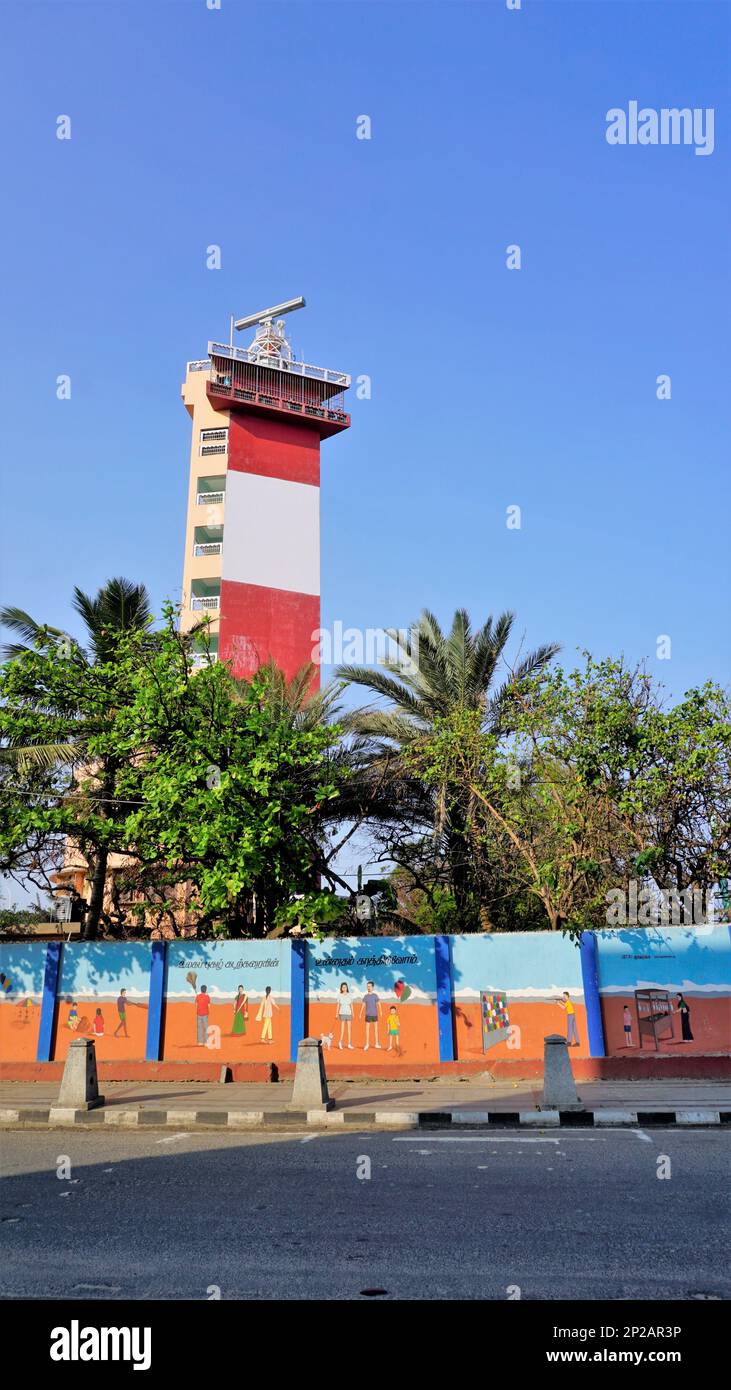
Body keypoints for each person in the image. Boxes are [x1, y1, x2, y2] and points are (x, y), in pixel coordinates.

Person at [360, 981, 382, 1050]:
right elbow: (363, 1005)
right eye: (367, 986)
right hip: (368, 1015)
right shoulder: (365, 996)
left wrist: (381, 1011)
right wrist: (360, 1013)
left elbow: (379, 1004)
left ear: (372, 987)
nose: (368, 988)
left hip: (375, 1014)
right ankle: (367, 1044)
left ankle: (376, 1044)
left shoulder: (375, 995)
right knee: (367, 1030)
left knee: (376, 1030)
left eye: (369, 986)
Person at [336, 982, 355, 1050]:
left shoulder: (350, 995)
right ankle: (340, 1042)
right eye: (343, 987)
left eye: (345, 987)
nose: (344, 988)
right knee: (342, 1029)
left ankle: (349, 1044)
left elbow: (351, 1005)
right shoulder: (339, 995)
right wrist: (336, 1013)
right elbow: (338, 1005)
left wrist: (353, 1013)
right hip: (342, 1013)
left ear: (347, 987)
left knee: (349, 1029)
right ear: (341, 988)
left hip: (349, 1013)